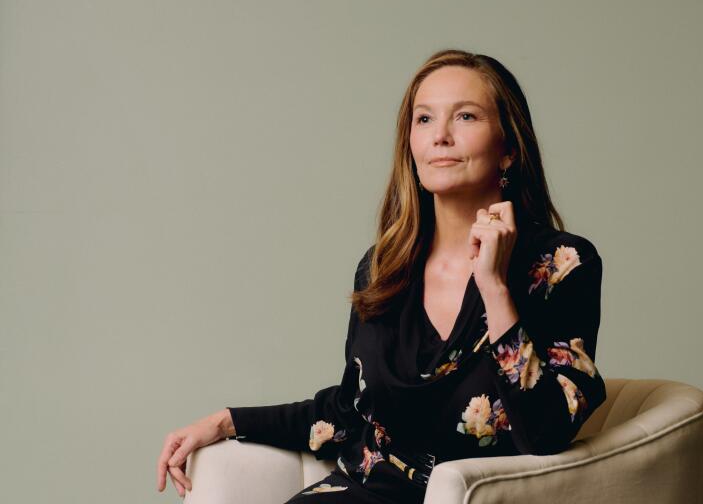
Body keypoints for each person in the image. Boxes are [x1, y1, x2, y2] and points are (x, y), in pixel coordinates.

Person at [156, 49, 607, 502]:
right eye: (425, 119)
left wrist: (493, 285)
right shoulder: (384, 267)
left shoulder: (561, 265)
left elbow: (546, 432)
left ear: (508, 147)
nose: (441, 137)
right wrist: (225, 421)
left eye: (466, 116)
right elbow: (349, 411)